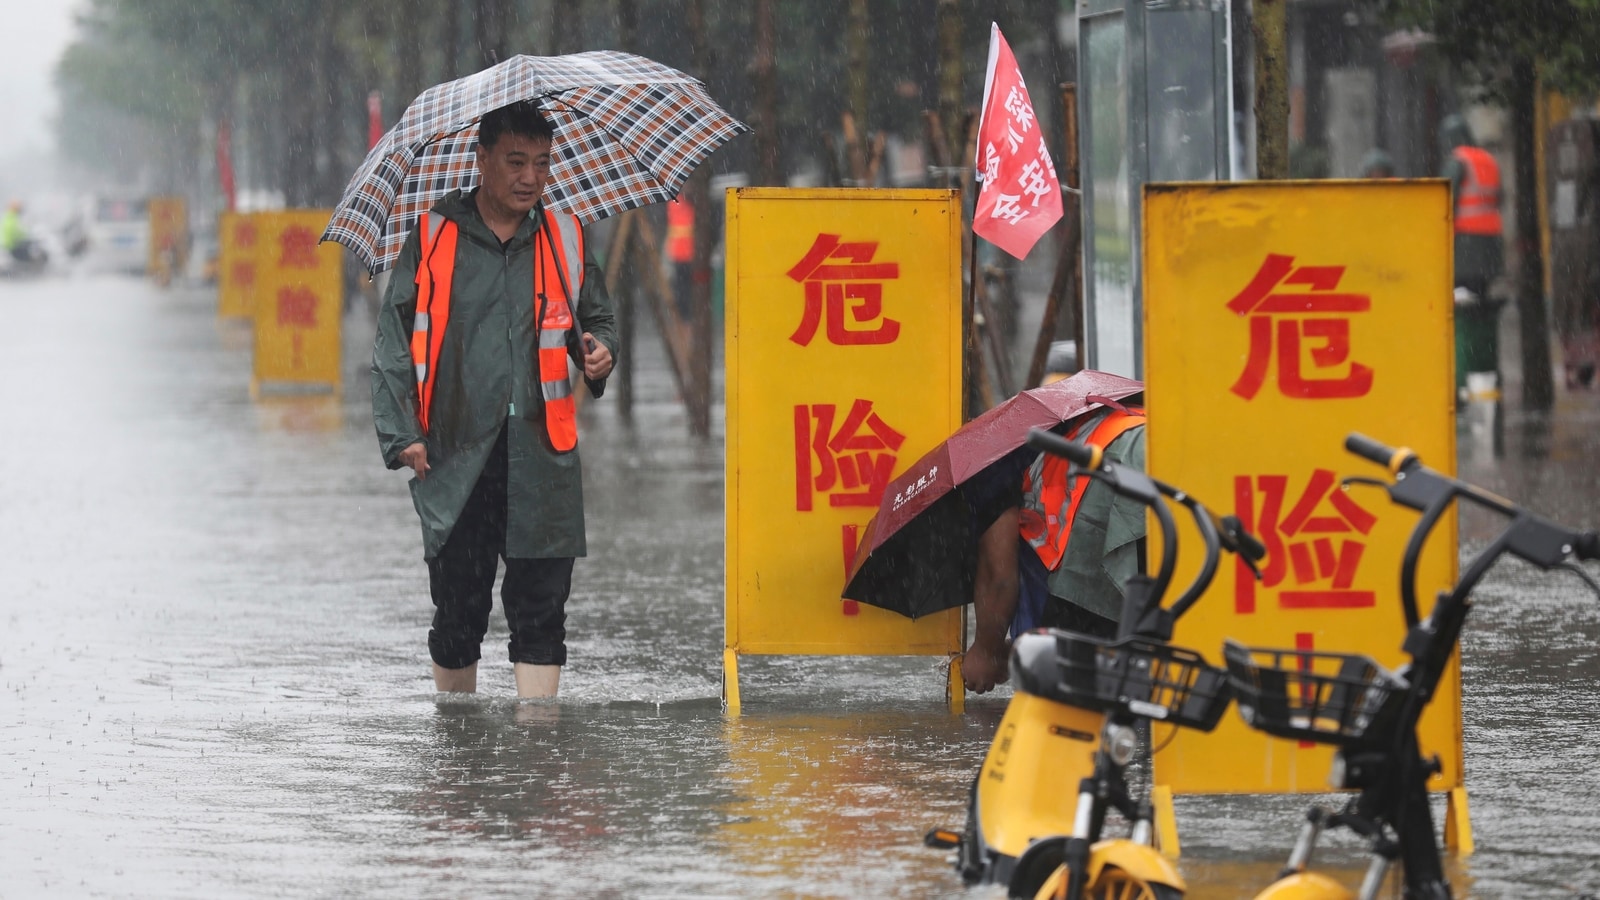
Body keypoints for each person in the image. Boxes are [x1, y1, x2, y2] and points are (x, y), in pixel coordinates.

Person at [370, 101, 618, 699]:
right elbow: (392, 344)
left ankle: (537, 765)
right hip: (457, 456)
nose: (530, 177)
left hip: (543, 455)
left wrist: (600, 353)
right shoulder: (434, 237)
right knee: (458, 614)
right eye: (515, 162)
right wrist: (401, 435)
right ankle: (459, 758)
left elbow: (600, 318)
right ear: (480, 160)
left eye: (541, 163)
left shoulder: (564, 235)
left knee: (542, 615)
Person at [960, 404, 1147, 693]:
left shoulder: (984, 464)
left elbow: (999, 576)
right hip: (1152, 447)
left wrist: (986, 650)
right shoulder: (1045, 424)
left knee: (1065, 680)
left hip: (1110, 484)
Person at [1440, 114, 1506, 393]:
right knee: (1481, 307)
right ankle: (1483, 370)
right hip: (1490, 245)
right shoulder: (1488, 160)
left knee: (1462, 305)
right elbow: (1499, 197)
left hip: (1466, 246)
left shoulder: (1459, 160)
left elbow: (1447, 198)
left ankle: (1465, 376)